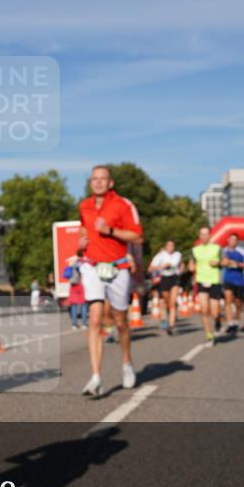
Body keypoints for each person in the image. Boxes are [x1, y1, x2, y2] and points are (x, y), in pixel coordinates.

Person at [77, 165, 143, 397]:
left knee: (121, 321)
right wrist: (81, 242)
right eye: (94, 178)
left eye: (102, 179)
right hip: (92, 266)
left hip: (117, 267)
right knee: (95, 319)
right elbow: (83, 229)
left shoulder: (123, 205)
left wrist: (111, 230)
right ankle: (96, 377)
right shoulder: (84, 205)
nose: (98, 182)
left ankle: (126, 362)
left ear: (110, 183)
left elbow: (137, 235)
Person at [189, 226, 222, 346]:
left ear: (210, 235)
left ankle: (218, 320)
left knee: (214, 312)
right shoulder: (195, 250)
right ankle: (209, 336)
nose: (204, 236)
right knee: (204, 310)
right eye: (201, 234)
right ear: (199, 236)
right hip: (201, 281)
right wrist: (191, 267)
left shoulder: (217, 248)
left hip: (214, 281)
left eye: (206, 234)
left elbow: (224, 261)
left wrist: (218, 262)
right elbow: (191, 263)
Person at [148, 240, 182, 336]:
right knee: (166, 302)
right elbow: (151, 268)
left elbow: (174, 263)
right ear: (166, 246)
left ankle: (171, 325)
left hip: (174, 278)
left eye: (172, 245)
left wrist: (166, 265)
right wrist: (159, 268)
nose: (170, 247)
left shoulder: (177, 254)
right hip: (164, 279)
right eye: (169, 245)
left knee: (172, 303)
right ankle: (166, 316)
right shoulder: (160, 255)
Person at [221, 233, 244, 334]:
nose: (232, 241)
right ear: (228, 240)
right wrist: (225, 262)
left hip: (239, 280)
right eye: (231, 239)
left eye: (234, 240)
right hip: (228, 279)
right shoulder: (223, 251)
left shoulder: (241, 251)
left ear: (237, 241)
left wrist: (239, 264)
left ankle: (236, 320)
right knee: (228, 300)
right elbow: (221, 262)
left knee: (238, 303)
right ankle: (230, 323)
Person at [64, 251, 89, 329]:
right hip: (82, 285)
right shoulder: (85, 261)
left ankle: (74, 324)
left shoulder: (72, 261)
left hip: (73, 285)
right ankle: (84, 324)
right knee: (84, 305)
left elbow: (67, 269)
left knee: (74, 306)